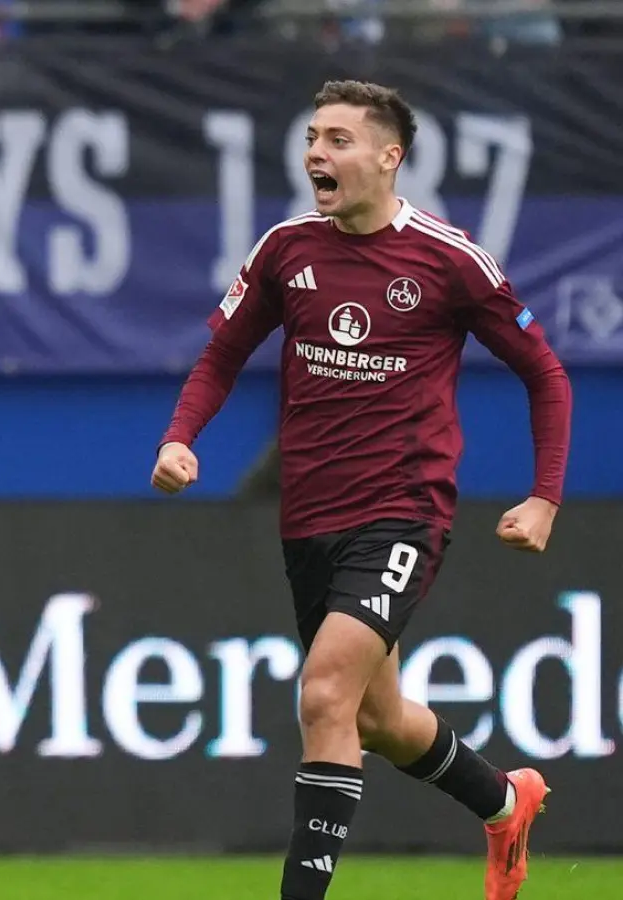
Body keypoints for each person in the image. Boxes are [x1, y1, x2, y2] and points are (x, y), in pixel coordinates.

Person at [151, 81, 570, 900]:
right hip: (309, 519)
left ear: (390, 157)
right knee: (377, 720)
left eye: (338, 139)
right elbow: (221, 355)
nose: (317, 153)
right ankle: (503, 800)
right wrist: (178, 436)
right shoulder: (285, 250)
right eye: (312, 137)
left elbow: (545, 374)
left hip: (404, 512)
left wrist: (545, 494)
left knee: (324, 692)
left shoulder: (450, 261)